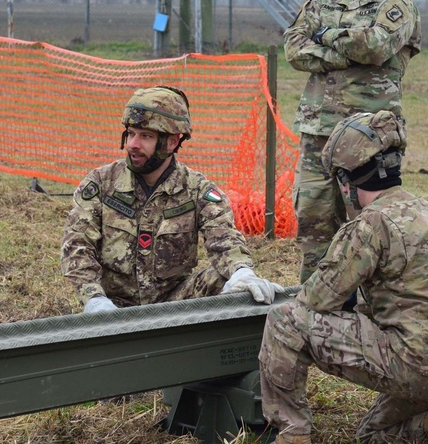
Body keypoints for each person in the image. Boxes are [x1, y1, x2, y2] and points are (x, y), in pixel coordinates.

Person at [232, 111, 428, 444]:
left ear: (347, 182)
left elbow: (316, 300)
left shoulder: (370, 224)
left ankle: (291, 440)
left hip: (411, 366)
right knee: (370, 435)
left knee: (286, 320)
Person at [284, 0, 422, 283]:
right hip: (318, 133)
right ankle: (315, 307)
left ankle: (374, 312)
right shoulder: (323, 1)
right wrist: (345, 50)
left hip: (368, 137)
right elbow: (294, 48)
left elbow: (376, 45)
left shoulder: (396, 5)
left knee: (368, 228)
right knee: (313, 222)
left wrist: (325, 36)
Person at [61, 85, 284, 311]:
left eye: (146, 136)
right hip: (113, 305)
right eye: (130, 133)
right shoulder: (101, 183)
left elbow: (223, 239)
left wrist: (241, 272)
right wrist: (94, 298)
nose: (132, 145)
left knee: (229, 282)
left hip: (175, 305)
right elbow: (77, 245)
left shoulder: (197, 190)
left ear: (173, 141)